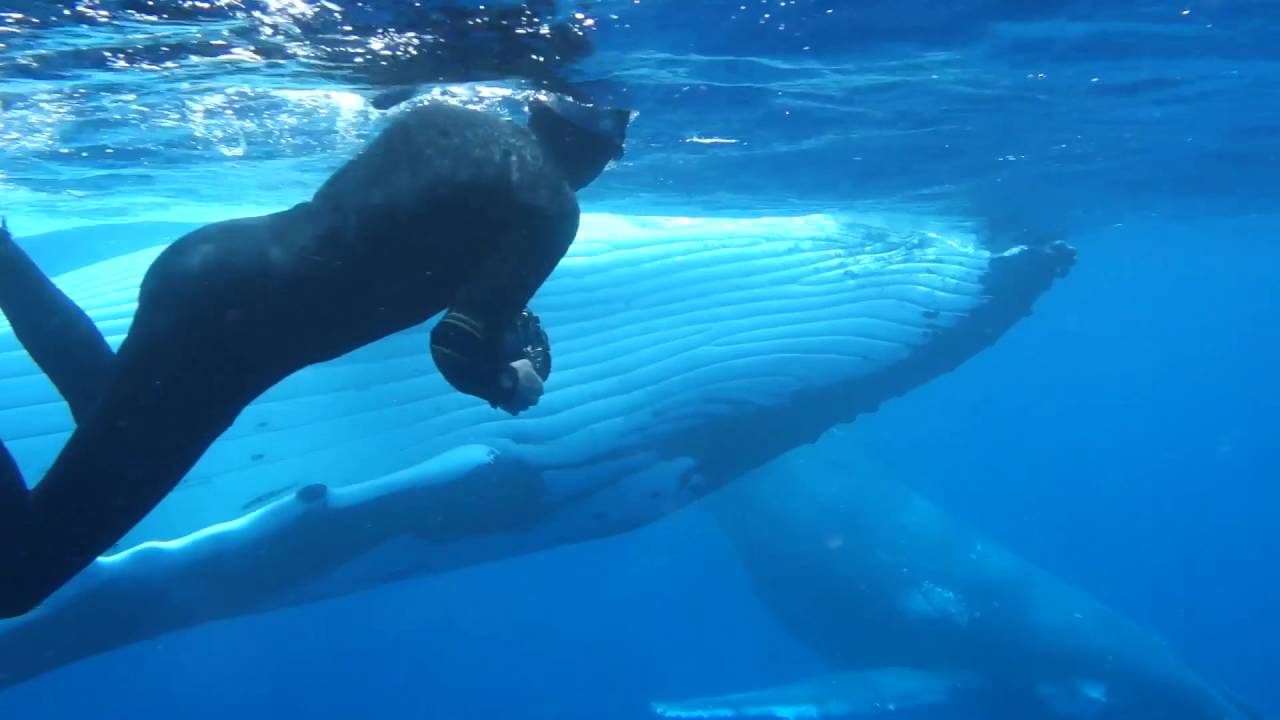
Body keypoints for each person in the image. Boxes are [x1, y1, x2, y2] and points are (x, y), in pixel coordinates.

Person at [0, 93, 633, 618]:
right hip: (229, 340)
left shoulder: (448, 118)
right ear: (600, 153)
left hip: (201, 265)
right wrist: (508, 382)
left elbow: (403, 233)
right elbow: (457, 343)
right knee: (16, 580)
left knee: (105, 404)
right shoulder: (549, 205)